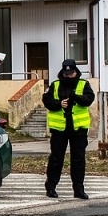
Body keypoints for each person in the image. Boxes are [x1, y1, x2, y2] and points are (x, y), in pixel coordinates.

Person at [44, 59, 94, 199]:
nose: (69, 76)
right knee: (56, 159)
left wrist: (75, 98)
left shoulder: (84, 84)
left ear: (75, 71)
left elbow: (89, 99)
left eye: (71, 73)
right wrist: (59, 104)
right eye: (66, 74)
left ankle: (79, 189)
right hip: (59, 129)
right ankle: (51, 187)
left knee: (78, 160)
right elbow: (46, 101)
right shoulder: (55, 85)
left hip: (78, 129)